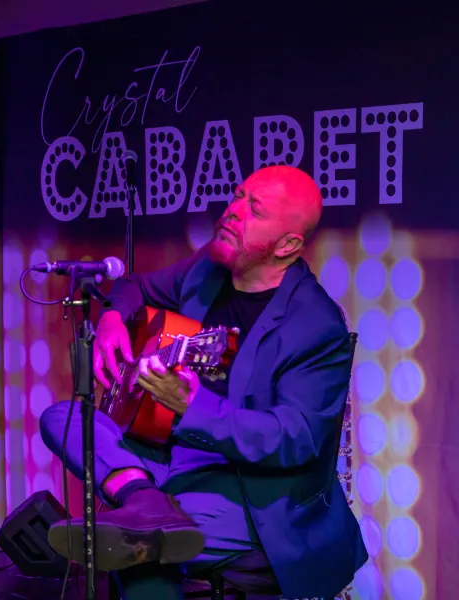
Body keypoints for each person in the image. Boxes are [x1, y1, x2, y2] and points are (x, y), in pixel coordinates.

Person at [38, 165, 368, 600]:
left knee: (141, 549)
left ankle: (141, 506)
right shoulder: (209, 266)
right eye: (237, 197)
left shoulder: (314, 325)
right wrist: (114, 319)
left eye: (255, 210)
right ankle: (143, 499)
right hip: (167, 456)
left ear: (288, 245)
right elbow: (136, 286)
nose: (233, 212)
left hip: (252, 493)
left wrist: (191, 408)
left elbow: (294, 438)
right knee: (61, 418)